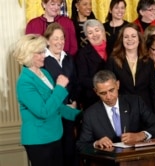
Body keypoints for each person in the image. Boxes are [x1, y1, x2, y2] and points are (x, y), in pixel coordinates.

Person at [13, 34, 80, 166]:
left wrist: (79, 115)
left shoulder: (45, 73)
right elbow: (43, 111)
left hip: (55, 135)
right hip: (39, 140)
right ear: (28, 54)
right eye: (39, 53)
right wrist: (60, 87)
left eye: (44, 51)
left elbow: (56, 105)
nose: (44, 55)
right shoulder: (24, 82)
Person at [76, 70, 155, 150]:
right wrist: (96, 143)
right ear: (96, 92)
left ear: (118, 85)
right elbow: (81, 145)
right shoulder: (90, 114)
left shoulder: (135, 103)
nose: (108, 97)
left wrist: (141, 135)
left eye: (111, 90)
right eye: (103, 93)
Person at [106, 23, 155, 118]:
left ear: (139, 39)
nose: (130, 39)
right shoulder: (113, 60)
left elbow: (154, 91)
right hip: (123, 112)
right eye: (126, 37)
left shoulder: (148, 61)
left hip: (146, 111)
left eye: (133, 36)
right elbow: (110, 89)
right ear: (121, 40)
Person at [43, 22, 79, 166]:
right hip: (53, 112)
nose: (60, 42)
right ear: (47, 40)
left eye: (62, 38)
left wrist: (75, 101)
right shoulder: (42, 61)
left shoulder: (69, 58)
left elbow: (76, 82)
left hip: (69, 111)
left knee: (69, 151)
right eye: (56, 38)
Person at [75, 19, 107, 110]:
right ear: (86, 36)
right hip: (93, 98)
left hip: (114, 95)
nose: (94, 35)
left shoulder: (113, 49)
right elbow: (82, 79)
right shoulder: (82, 54)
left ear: (102, 31)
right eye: (90, 32)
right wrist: (102, 87)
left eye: (97, 30)